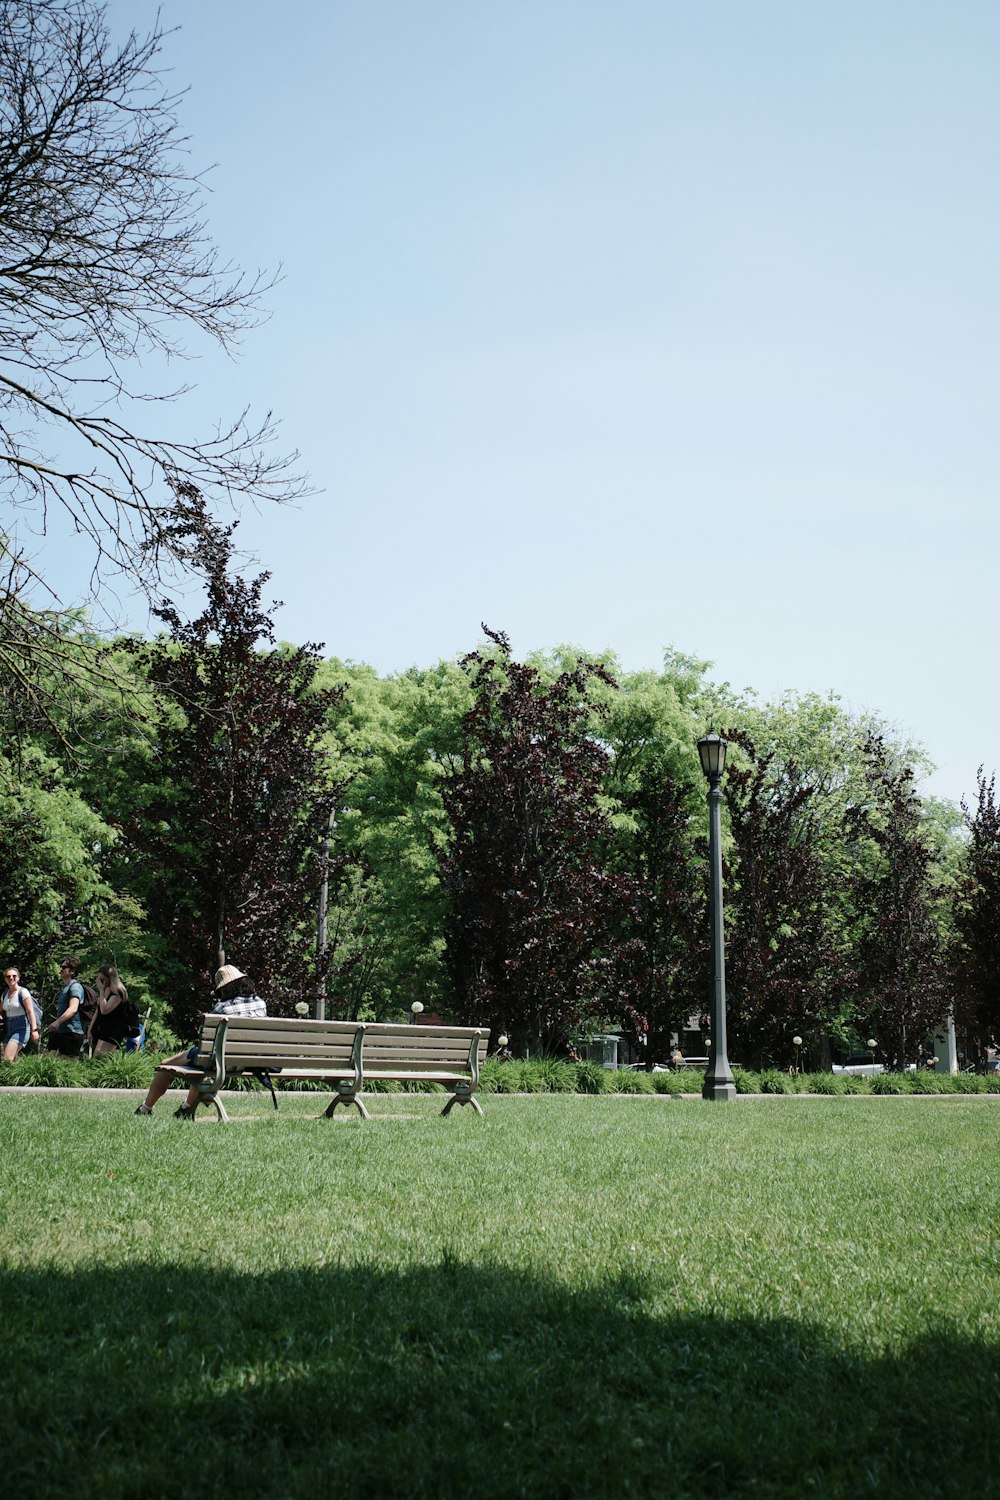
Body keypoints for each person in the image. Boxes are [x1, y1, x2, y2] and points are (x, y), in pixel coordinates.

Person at [134, 964, 267, 1118]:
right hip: (248, 1062)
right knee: (201, 1064)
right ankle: (185, 1109)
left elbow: (205, 1037)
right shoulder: (260, 1003)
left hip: (220, 1061)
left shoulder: (222, 1008)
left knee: (165, 1065)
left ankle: (145, 1109)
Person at [88, 965, 135, 1055]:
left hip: (111, 1032)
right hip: (100, 1030)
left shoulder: (118, 992)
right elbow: (98, 1011)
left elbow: (104, 1010)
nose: (100, 983)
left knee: (99, 1059)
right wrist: (90, 1029)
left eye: (102, 980)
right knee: (94, 1062)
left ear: (108, 978)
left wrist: (101, 990)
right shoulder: (106, 991)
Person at [47, 956, 87, 1057]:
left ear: (72, 971)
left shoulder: (75, 987)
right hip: (60, 1031)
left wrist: (57, 1022)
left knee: (68, 1067)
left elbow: (73, 1008)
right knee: (49, 1059)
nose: (61, 969)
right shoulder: (65, 987)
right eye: (61, 966)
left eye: (64, 967)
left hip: (72, 1033)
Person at [2, 967, 39, 1061]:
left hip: (21, 1027)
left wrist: (34, 1030)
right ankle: (15, 1076)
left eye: (14, 976)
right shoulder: (4, 994)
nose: (11, 978)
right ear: (5, 979)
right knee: (12, 1059)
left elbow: (30, 1012)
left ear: (18, 978)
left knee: (7, 1058)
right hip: (8, 1028)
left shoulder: (23, 992)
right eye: (8, 976)